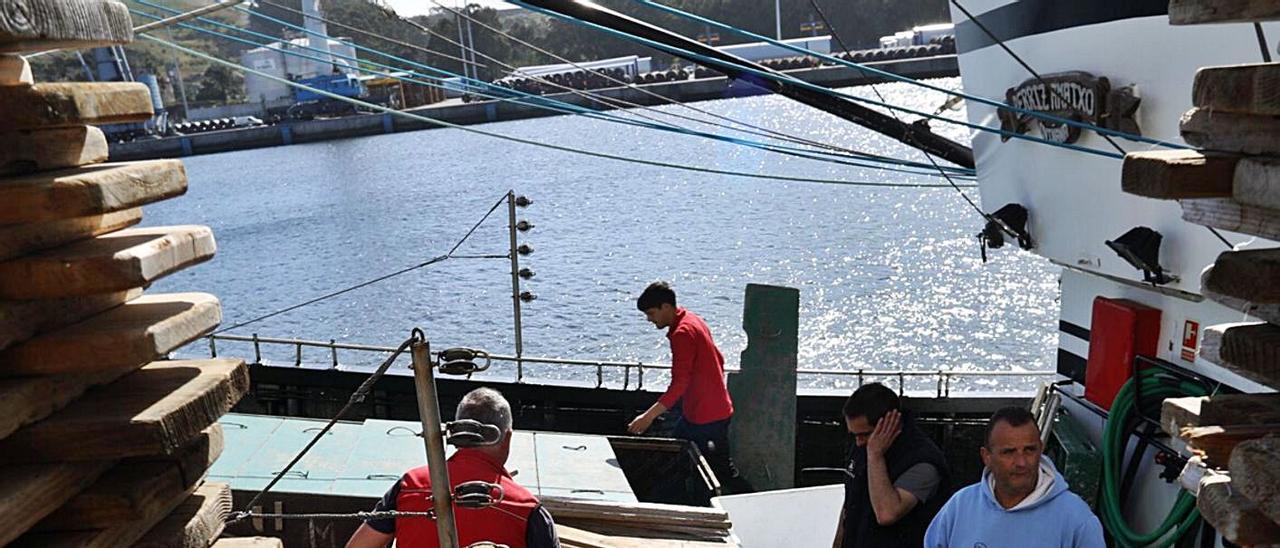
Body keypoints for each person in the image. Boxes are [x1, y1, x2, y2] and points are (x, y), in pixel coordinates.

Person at [346, 388, 561, 548]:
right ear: (507, 437)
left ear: (458, 435)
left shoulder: (409, 485)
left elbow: (358, 546)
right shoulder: (527, 509)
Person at [924, 406, 1104, 548]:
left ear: (1041, 449)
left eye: (1030, 450)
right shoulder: (959, 506)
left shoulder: (1077, 519)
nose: (1021, 463)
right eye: (1009, 452)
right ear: (987, 456)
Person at [627, 281, 741, 490]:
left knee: (714, 472)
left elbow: (679, 385)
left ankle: (725, 504)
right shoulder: (693, 319)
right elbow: (719, 358)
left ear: (666, 307)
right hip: (715, 409)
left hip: (704, 418)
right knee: (699, 461)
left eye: (652, 313)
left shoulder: (682, 333)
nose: (649, 319)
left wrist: (647, 417)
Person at [833, 383, 950, 548]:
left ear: (889, 423)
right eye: (854, 435)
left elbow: (887, 513)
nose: (858, 442)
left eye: (865, 434)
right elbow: (850, 504)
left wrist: (875, 456)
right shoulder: (862, 445)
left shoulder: (923, 462)